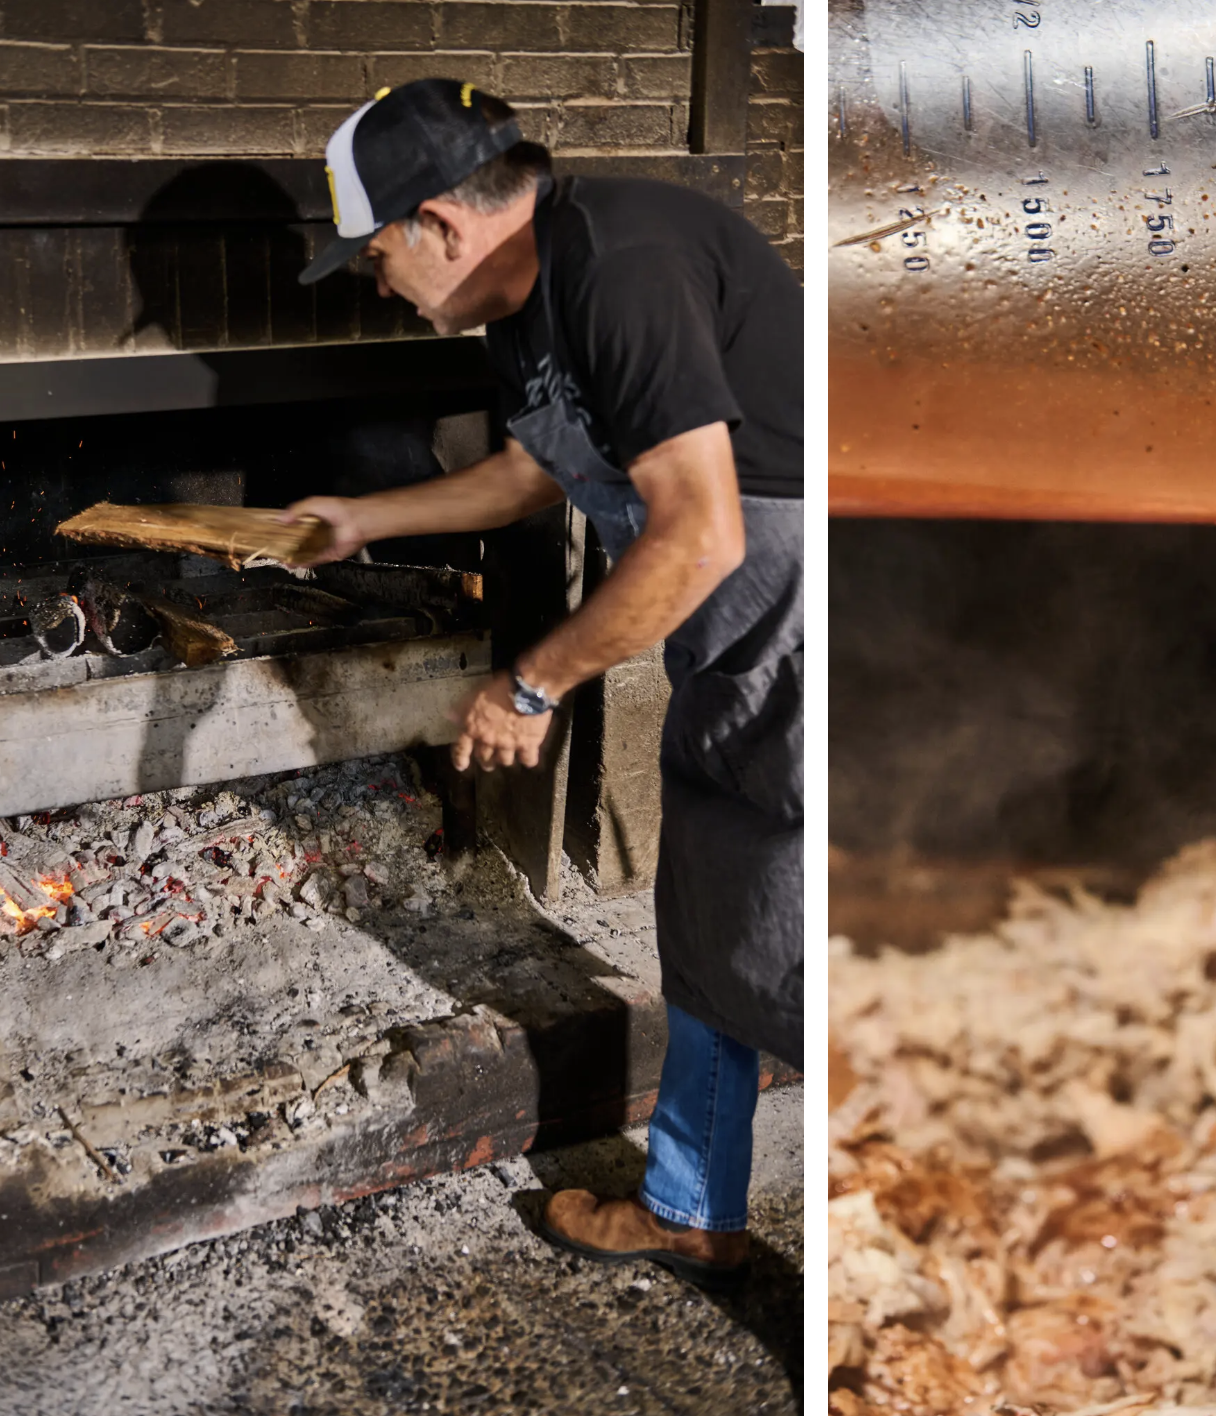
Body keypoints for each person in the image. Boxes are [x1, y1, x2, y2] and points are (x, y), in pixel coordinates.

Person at [289, 79, 802, 1289]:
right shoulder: (524, 299)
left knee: (797, 927)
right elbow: (538, 471)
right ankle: (691, 1204)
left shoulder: (625, 266)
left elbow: (697, 538)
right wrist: (365, 518)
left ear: (442, 226)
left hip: (806, 632)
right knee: (714, 913)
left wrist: (531, 684)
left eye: (374, 255)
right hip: (729, 645)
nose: (375, 281)